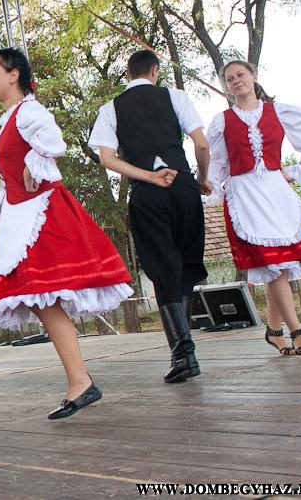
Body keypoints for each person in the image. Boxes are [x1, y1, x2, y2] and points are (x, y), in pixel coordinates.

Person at [0, 48, 133, 420]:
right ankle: (80, 380)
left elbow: (53, 141)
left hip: (41, 216)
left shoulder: (29, 111)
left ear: (13, 74)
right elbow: (9, 182)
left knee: (42, 298)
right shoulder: (10, 119)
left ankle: (80, 381)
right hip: (21, 216)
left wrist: (33, 164)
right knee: (39, 300)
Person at [88, 49, 212, 383]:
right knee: (186, 264)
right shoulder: (176, 97)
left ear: (129, 74)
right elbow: (201, 144)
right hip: (184, 187)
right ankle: (185, 352)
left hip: (147, 192)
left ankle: (183, 354)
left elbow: (107, 158)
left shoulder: (111, 108)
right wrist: (201, 179)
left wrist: (148, 176)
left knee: (162, 267)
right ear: (155, 71)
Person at [206, 60, 301, 355]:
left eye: (240, 75)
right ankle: (298, 333)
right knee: (273, 266)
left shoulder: (280, 111)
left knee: (281, 266)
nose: (236, 81)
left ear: (254, 76)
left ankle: (274, 330)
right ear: (226, 86)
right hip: (245, 196)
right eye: (230, 78)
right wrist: (211, 189)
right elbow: (216, 164)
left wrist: (296, 170)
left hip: (276, 192)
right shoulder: (222, 121)